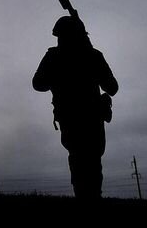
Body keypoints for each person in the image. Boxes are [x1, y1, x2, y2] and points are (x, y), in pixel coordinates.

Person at [33, 15, 118, 199]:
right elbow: (38, 83)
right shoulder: (92, 56)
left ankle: (87, 196)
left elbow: (112, 88)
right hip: (82, 119)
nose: (60, 40)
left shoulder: (57, 56)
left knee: (82, 163)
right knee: (89, 163)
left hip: (78, 118)